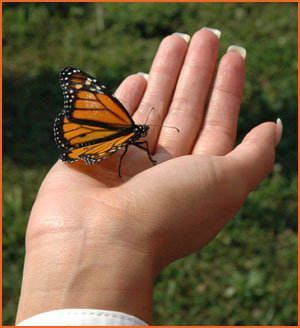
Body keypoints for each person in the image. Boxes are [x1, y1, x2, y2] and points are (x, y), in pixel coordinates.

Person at [16, 28, 282, 326]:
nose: (144, 134)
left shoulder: (125, 127)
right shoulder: (128, 131)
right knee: (116, 143)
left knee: (114, 141)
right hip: (97, 142)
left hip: (90, 135)